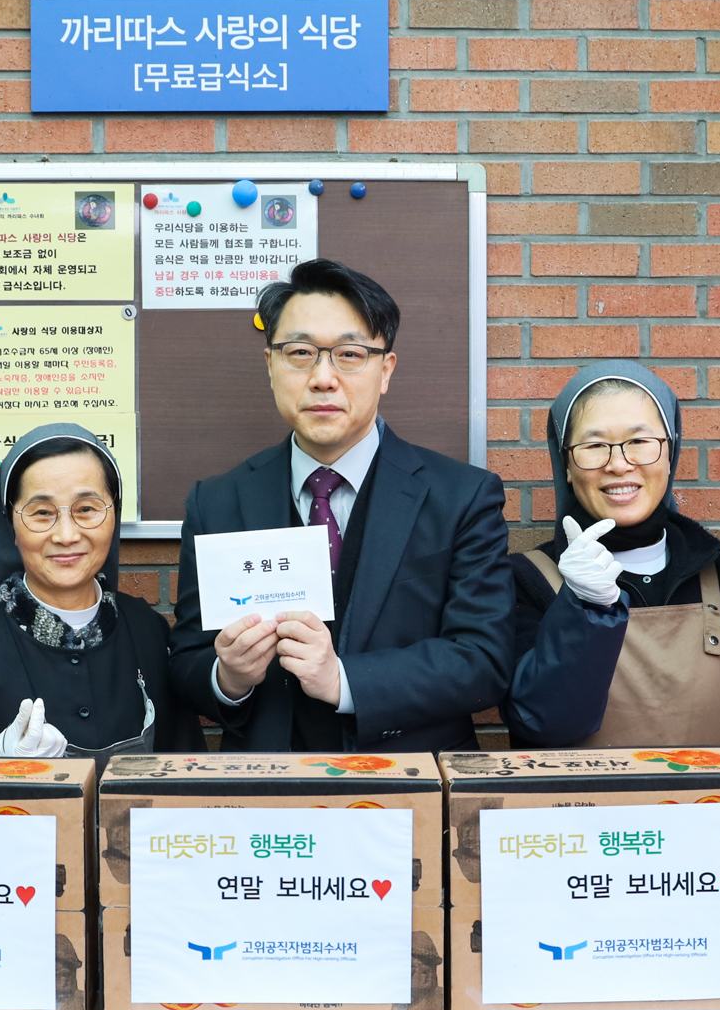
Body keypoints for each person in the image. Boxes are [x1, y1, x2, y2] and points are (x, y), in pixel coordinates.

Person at [170, 258, 514, 751]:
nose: (323, 378)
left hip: (407, 792)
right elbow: (186, 661)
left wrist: (344, 680)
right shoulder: (217, 502)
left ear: (385, 370)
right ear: (270, 364)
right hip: (264, 797)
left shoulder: (461, 497)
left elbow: (484, 660)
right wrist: (228, 677)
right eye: (301, 352)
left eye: (349, 354)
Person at [0, 424, 202, 762]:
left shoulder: (150, 632)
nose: (66, 535)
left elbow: (186, 785)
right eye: (42, 513)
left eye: (87, 509)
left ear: (114, 516)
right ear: (11, 526)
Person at [502, 362, 720, 747]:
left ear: (670, 452)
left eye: (639, 442)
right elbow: (544, 723)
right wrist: (583, 608)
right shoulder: (526, 580)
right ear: (566, 465)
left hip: (714, 806)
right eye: (594, 446)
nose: (619, 464)